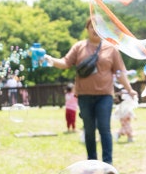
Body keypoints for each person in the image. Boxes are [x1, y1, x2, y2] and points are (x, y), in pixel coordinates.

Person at [45, 19, 137, 164]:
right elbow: (65, 63)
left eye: (99, 27)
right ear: (87, 29)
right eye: (92, 27)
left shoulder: (111, 49)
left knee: (104, 128)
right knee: (89, 130)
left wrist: (130, 90)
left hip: (105, 96)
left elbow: (120, 73)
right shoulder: (79, 47)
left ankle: (108, 164)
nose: (95, 29)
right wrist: (50, 59)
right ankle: (92, 163)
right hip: (84, 96)